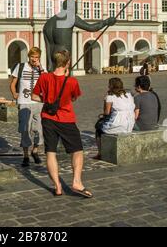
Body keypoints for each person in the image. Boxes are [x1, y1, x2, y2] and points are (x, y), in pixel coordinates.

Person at [32, 50, 92, 198]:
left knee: (50, 152)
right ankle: (77, 181)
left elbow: (34, 96)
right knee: (77, 150)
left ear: (53, 62)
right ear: (67, 63)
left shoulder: (44, 77)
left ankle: (57, 186)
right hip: (66, 119)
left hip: (48, 118)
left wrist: (48, 102)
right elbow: (74, 98)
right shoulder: (72, 81)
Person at [10, 47, 45, 167]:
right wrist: (14, 93)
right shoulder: (20, 67)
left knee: (39, 130)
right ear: (28, 57)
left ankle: (35, 151)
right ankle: (25, 156)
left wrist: (40, 68)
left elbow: (46, 82)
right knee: (25, 129)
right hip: (24, 102)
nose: (34, 59)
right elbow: (13, 84)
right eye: (32, 57)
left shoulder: (41, 69)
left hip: (38, 103)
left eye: (37, 57)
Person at [94, 77, 135, 159]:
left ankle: (100, 153)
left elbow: (107, 112)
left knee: (98, 128)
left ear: (111, 86)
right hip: (129, 124)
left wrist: (105, 101)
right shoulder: (128, 95)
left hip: (118, 124)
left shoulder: (110, 97)